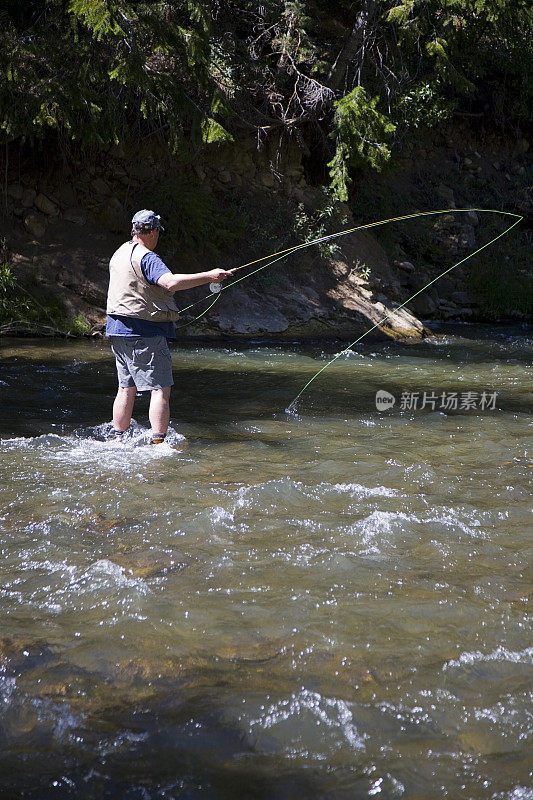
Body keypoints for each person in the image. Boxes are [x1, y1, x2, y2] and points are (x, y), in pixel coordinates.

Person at [106, 209, 234, 444]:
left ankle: (117, 437)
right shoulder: (147, 257)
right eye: (157, 232)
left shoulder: (119, 253)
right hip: (144, 332)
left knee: (126, 388)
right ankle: (158, 443)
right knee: (160, 389)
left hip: (117, 330)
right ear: (152, 231)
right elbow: (170, 282)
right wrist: (209, 276)